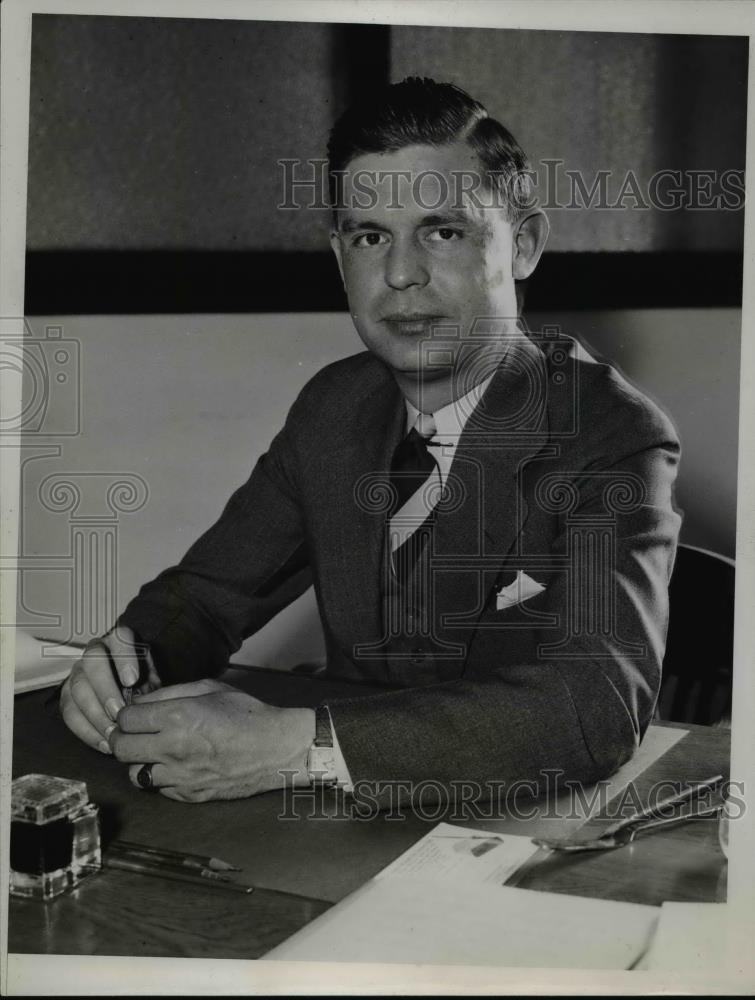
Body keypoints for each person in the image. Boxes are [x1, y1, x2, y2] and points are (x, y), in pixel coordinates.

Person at [60, 78, 681, 804]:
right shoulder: (335, 407)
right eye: (369, 236)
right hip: (344, 824)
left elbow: (594, 707)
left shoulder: (610, 433)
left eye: (442, 232)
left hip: (516, 819)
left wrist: (298, 747)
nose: (400, 274)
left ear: (523, 245)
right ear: (339, 256)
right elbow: (203, 598)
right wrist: (122, 664)